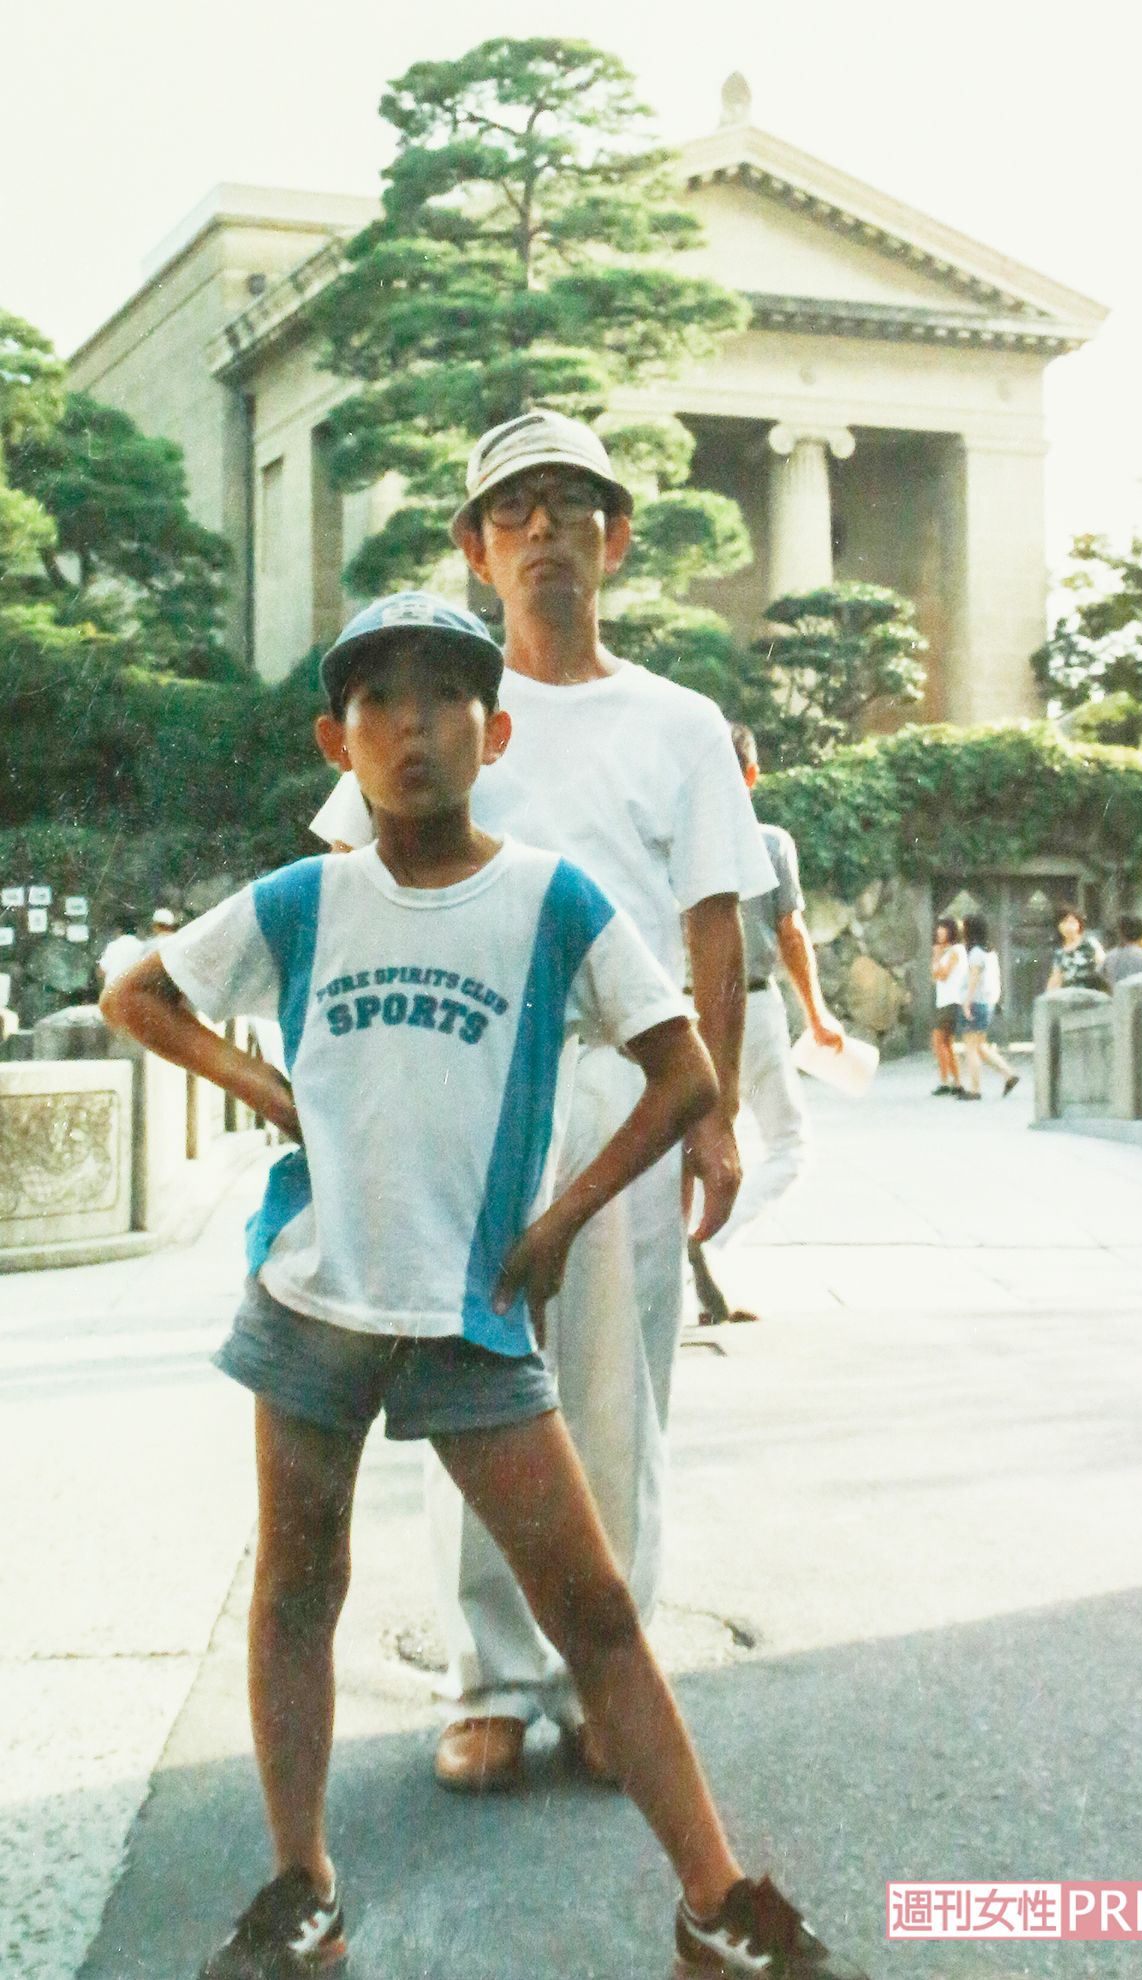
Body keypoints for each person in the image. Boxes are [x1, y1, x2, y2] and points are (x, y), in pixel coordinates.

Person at [101, 598, 865, 1980]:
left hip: (472, 1309)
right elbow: (141, 996)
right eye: (380, 703)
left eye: (446, 699)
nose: (414, 727)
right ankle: (301, 1891)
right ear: (340, 742)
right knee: (296, 1587)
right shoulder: (304, 899)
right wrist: (263, 1088)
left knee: (593, 1609)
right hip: (315, 1299)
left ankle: (715, 1901)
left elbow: (683, 1067)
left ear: (494, 733)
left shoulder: (551, 902)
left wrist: (564, 1221)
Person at [310, 410, 774, 1793]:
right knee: (484, 1385)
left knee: (618, 1400)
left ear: (616, 539)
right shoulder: (438, 711)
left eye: (577, 506)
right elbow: (349, 883)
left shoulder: (680, 723)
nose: (548, 531)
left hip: (628, 1092)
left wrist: (719, 1114)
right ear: (475, 545)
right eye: (517, 509)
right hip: (473, 1087)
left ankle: (606, 1686)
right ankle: (495, 1682)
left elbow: (714, 933)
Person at [687, 722, 845, 1326]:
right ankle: (713, 1245)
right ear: (752, 776)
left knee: (681, 1153)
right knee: (789, 1144)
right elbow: (791, 934)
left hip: (681, 1011)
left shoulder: (671, 842)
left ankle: (684, 1275)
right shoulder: (771, 842)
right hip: (750, 1007)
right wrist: (818, 1013)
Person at [957, 912, 1018, 1101]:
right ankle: (1009, 1074)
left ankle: (975, 1089)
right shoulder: (990, 952)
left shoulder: (975, 953)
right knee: (981, 1047)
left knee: (971, 1048)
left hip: (975, 1002)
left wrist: (967, 1002)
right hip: (987, 1002)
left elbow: (974, 978)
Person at [930, 917, 967, 1094]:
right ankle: (954, 1082)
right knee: (946, 1044)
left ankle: (949, 1081)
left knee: (939, 1042)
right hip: (944, 1001)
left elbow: (942, 975)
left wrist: (936, 957)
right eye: (938, 928)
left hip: (951, 1002)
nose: (939, 931)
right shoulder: (948, 952)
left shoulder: (956, 951)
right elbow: (935, 975)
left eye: (943, 928)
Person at [1045, 905, 1105, 992]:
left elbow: (1103, 966)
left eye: (1072, 922)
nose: (1068, 927)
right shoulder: (1060, 953)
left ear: (1079, 924)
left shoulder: (1090, 943)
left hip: (1092, 995)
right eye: (1064, 922)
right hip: (1070, 998)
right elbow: (1056, 979)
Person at [1102, 913, 1142, 990]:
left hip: (1117, 999)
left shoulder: (1110, 957)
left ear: (1120, 932)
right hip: (1140, 999)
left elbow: (1101, 978)